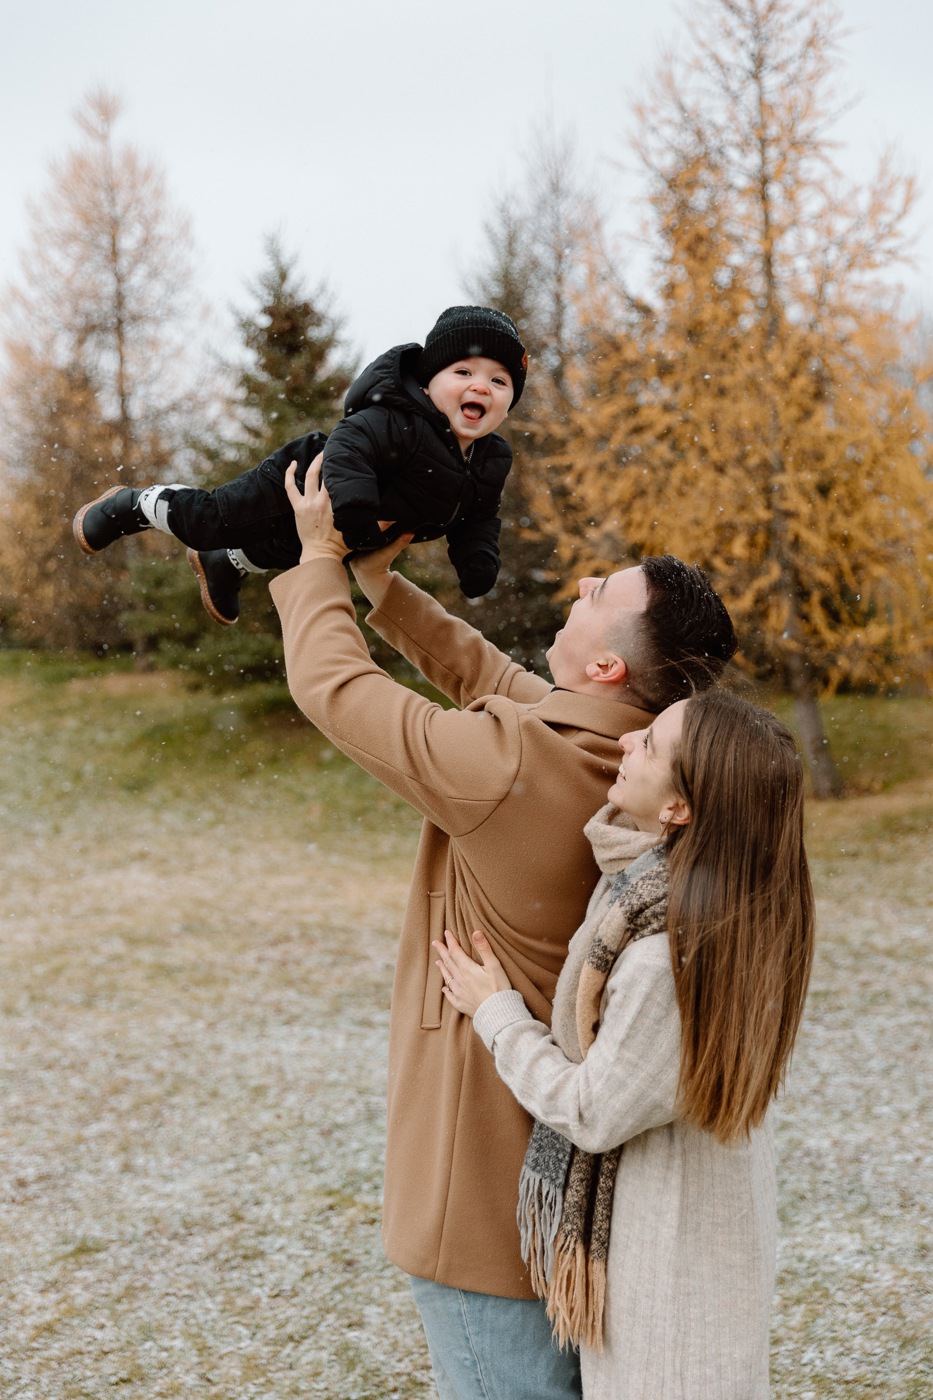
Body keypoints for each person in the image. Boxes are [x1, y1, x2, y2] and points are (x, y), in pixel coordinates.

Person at [268, 456, 738, 1400]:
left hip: (478, 1202)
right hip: (556, 1203)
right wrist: (383, 591)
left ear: (606, 668)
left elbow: (335, 690)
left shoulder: (519, 767)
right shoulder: (620, 759)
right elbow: (489, 674)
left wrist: (318, 562)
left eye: (598, 590)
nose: (579, 585)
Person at [434, 689, 815, 1399]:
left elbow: (592, 1110)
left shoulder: (664, 951)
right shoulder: (715, 900)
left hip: (672, 1266)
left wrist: (497, 1014)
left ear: (679, 811)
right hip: (701, 1235)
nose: (624, 739)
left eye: (649, 743)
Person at [72, 305, 527, 624]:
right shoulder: (399, 419)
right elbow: (350, 445)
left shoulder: (492, 459)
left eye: (499, 380)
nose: (482, 387)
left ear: (509, 402)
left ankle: (224, 564)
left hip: (356, 529)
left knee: (282, 552)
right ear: (429, 383)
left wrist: (477, 558)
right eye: (463, 373)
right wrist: (353, 504)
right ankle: (135, 504)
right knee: (214, 520)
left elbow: (479, 515)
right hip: (303, 480)